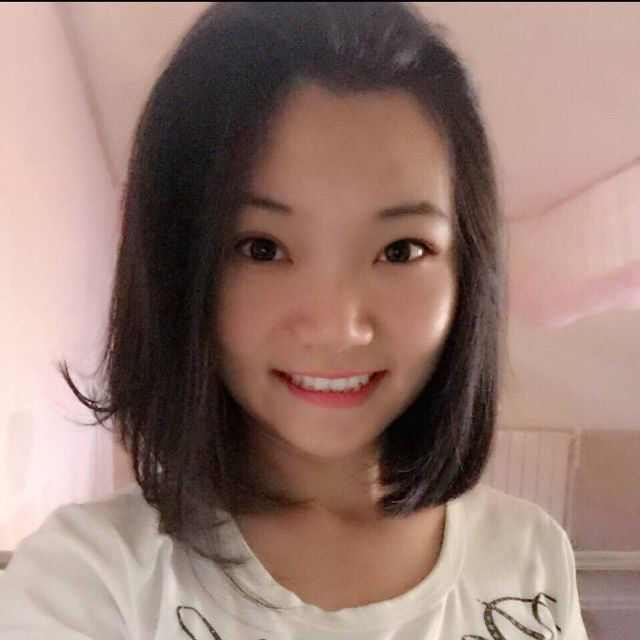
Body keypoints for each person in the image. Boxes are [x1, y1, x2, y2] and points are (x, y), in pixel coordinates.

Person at [0, 3, 588, 638]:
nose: (338, 328)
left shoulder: (530, 557)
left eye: (401, 250)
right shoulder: (85, 580)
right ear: (177, 264)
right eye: (262, 248)